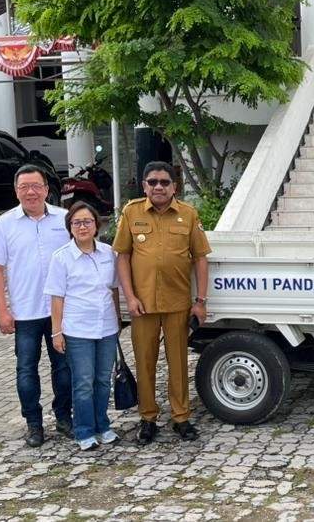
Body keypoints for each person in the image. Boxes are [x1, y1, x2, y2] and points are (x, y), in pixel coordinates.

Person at [114, 161, 211, 443]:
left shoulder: (188, 215)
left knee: (178, 363)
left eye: (164, 182)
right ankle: (148, 418)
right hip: (142, 305)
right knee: (145, 363)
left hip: (178, 304)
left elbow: (201, 259)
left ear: (174, 187)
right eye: (153, 181)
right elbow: (123, 257)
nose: (158, 186)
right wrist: (129, 297)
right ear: (144, 186)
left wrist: (200, 301)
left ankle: (181, 417)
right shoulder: (131, 213)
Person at [0, 165, 73, 447]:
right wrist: (2, 311)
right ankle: (33, 423)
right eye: (24, 187)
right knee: (26, 371)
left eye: (36, 186)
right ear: (16, 190)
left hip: (61, 311)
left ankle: (64, 418)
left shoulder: (65, 219)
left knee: (65, 369)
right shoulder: (5, 224)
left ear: (47, 189)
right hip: (25, 313)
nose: (30, 192)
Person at [45, 202, 121, 450]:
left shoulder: (109, 253)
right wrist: (57, 331)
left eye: (87, 221)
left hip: (107, 327)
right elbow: (57, 297)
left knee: (102, 380)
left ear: (96, 225)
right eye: (76, 222)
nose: (82, 226)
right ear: (70, 227)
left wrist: (119, 320)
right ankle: (84, 431)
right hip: (77, 330)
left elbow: (114, 289)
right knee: (83, 381)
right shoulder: (61, 257)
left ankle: (103, 425)